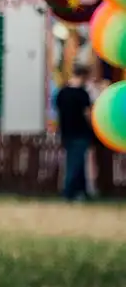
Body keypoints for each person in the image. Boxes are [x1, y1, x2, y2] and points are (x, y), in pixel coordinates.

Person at [55, 65, 96, 201]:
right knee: (74, 163)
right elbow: (88, 115)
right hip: (81, 133)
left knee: (77, 162)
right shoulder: (82, 94)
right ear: (83, 76)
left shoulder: (62, 93)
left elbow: (58, 112)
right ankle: (68, 192)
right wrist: (94, 128)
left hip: (66, 132)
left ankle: (82, 191)